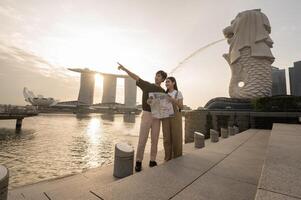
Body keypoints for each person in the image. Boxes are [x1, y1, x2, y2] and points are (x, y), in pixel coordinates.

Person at [117, 62, 167, 172]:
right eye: (156, 75)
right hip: (147, 115)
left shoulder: (163, 92)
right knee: (142, 139)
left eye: (159, 76)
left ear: (163, 79)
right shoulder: (147, 85)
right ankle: (138, 161)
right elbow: (135, 77)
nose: (156, 77)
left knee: (155, 139)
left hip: (157, 118)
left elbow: (164, 106)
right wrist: (125, 68)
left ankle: (152, 160)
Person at [162, 77, 183, 161]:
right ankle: (167, 157)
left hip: (176, 116)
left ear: (173, 83)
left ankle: (177, 157)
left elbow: (181, 106)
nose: (166, 83)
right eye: (166, 82)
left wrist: (173, 100)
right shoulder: (163, 94)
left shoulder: (178, 93)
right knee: (166, 137)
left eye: (168, 82)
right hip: (165, 116)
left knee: (176, 137)